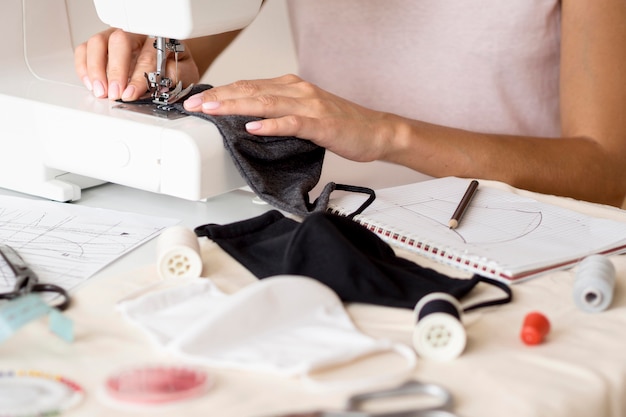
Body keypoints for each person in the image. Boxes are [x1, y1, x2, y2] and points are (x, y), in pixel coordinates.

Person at [74, 1, 626, 208]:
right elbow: (185, 44)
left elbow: (606, 167)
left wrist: (386, 133)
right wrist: (156, 54)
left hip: (518, 232)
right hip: (336, 219)